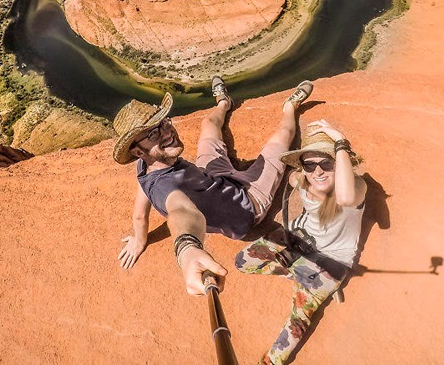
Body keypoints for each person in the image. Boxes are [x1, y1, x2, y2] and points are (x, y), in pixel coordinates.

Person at [113, 77, 313, 295]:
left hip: (211, 176)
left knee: (209, 124)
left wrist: (140, 240)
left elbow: (140, 216)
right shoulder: (167, 187)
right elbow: (181, 212)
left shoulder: (145, 165)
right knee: (282, 138)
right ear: (138, 151)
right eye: (153, 133)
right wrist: (187, 249)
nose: (168, 132)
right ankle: (290, 106)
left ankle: (223, 102)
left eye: (164, 123)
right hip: (247, 202)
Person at [235, 120, 366, 365]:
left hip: (329, 263)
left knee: (295, 325)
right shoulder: (302, 180)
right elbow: (293, 175)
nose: (318, 171)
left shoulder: (354, 189)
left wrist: (339, 140)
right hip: (298, 241)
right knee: (243, 262)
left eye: (326, 163)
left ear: (340, 163)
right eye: (310, 164)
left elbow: (347, 195)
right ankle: (298, 276)